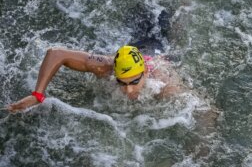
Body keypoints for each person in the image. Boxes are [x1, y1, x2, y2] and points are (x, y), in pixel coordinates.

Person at [7, 45, 185, 112]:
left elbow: (200, 107)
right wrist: (38, 95)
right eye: (121, 82)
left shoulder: (163, 80)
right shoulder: (105, 66)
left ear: (145, 72)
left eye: (134, 82)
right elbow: (56, 53)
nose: (128, 90)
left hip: (159, 46)